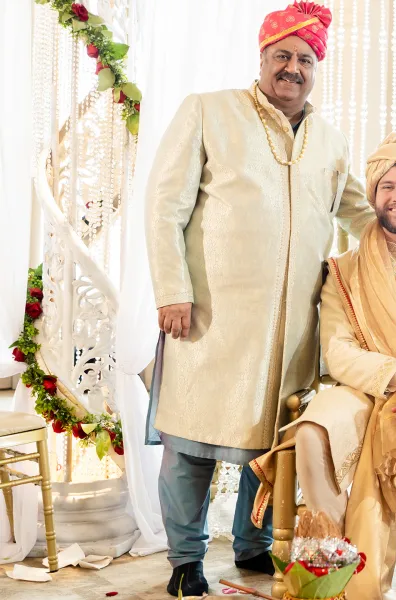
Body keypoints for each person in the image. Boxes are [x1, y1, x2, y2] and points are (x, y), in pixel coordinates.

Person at [144, 2, 373, 596]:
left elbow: (359, 212)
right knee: (190, 442)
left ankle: (253, 547)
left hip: (295, 322)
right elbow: (163, 207)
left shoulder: (329, 140)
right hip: (210, 318)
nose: (293, 68)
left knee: (270, 442)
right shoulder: (209, 111)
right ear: (262, 58)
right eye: (283, 56)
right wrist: (173, 291)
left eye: (305, 59)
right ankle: (185, 560)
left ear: (317, 68)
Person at [250, 133, 396, 600]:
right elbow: (338, 352)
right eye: (388, 186)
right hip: (368, 389)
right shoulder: (344, 269)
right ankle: (334, 570)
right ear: (374, 195)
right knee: (314, 428)